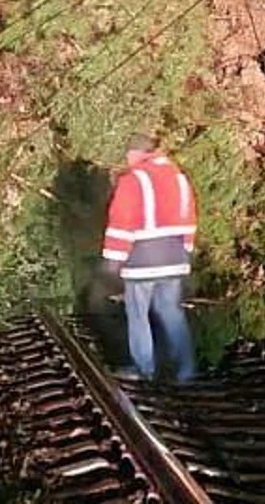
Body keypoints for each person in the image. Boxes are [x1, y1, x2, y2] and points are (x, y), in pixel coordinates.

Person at [101, 136, 198, 383]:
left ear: (134, 154)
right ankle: (185, 369)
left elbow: (121, 222)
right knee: (171, 311)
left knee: (138, 314)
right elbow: (189, 217)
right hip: (175, 257)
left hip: (142, 261)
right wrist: (186, 249)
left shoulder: (133, 180)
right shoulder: (179, 177)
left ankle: (144, 368)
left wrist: (113, 259)